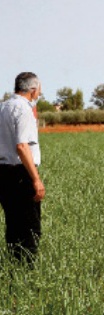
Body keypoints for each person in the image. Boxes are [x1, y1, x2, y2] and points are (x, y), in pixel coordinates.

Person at [0, 72, 45, 264]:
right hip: (21, 174)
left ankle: (12, 268)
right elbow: (22, 146)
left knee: (13, 226)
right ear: (32, 90)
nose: (39, 94)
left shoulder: (3, 107)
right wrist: (35, 179)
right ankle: (26, 275)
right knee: (30, 229)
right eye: (39, 90)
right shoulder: (23, 109)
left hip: (3, 172)